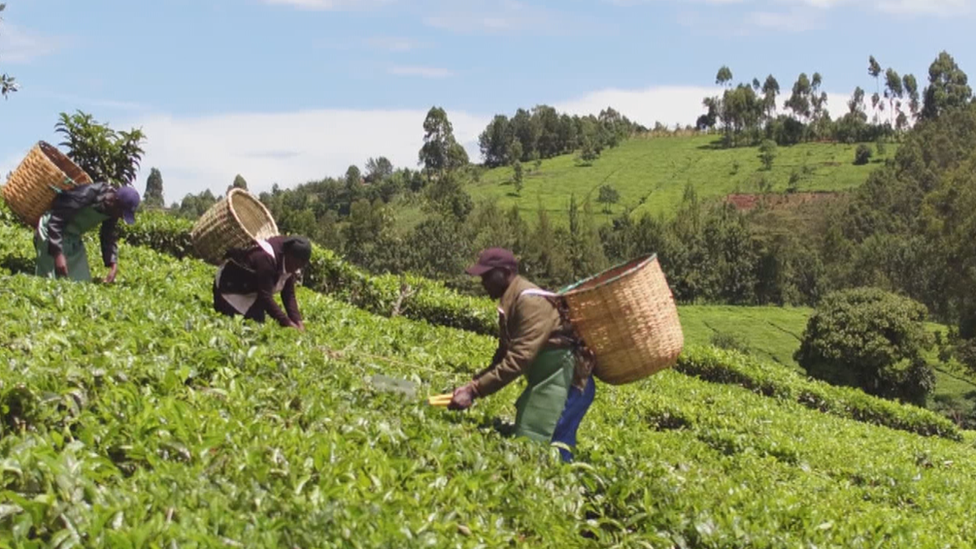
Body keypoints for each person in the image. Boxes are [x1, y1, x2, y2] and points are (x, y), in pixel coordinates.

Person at [449, 247, 596, 462]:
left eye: (488, 275)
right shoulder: (511, 301)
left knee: (553, 448)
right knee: (531, 442)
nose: (483, 282)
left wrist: (475, 391)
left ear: (506, 272)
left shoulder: (530, 302)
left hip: (568, 386)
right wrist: (473, 384)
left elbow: (519, 358)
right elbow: (503, 355)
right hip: (548, 384)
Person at [34, 182, 141, 283]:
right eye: (121, 213)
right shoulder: (87, 194)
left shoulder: (113, 210)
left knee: (81, 283)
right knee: (49, 281)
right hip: (51, 232)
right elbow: (56, 220)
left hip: (72, 237)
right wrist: (57, 254)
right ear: (115, 201)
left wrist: (113, 263)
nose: (120, 217)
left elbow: (108, 235)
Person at [213, 235, 312, 330]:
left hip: (250, 290)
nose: (296, 270)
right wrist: (287, 323)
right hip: (229, 289)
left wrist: (298, 321)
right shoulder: (267, 259)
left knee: (257, 322)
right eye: (296, 265)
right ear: (290, 257)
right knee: (249, 327)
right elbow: (265, 297)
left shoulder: (289, 258)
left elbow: (288, 293)